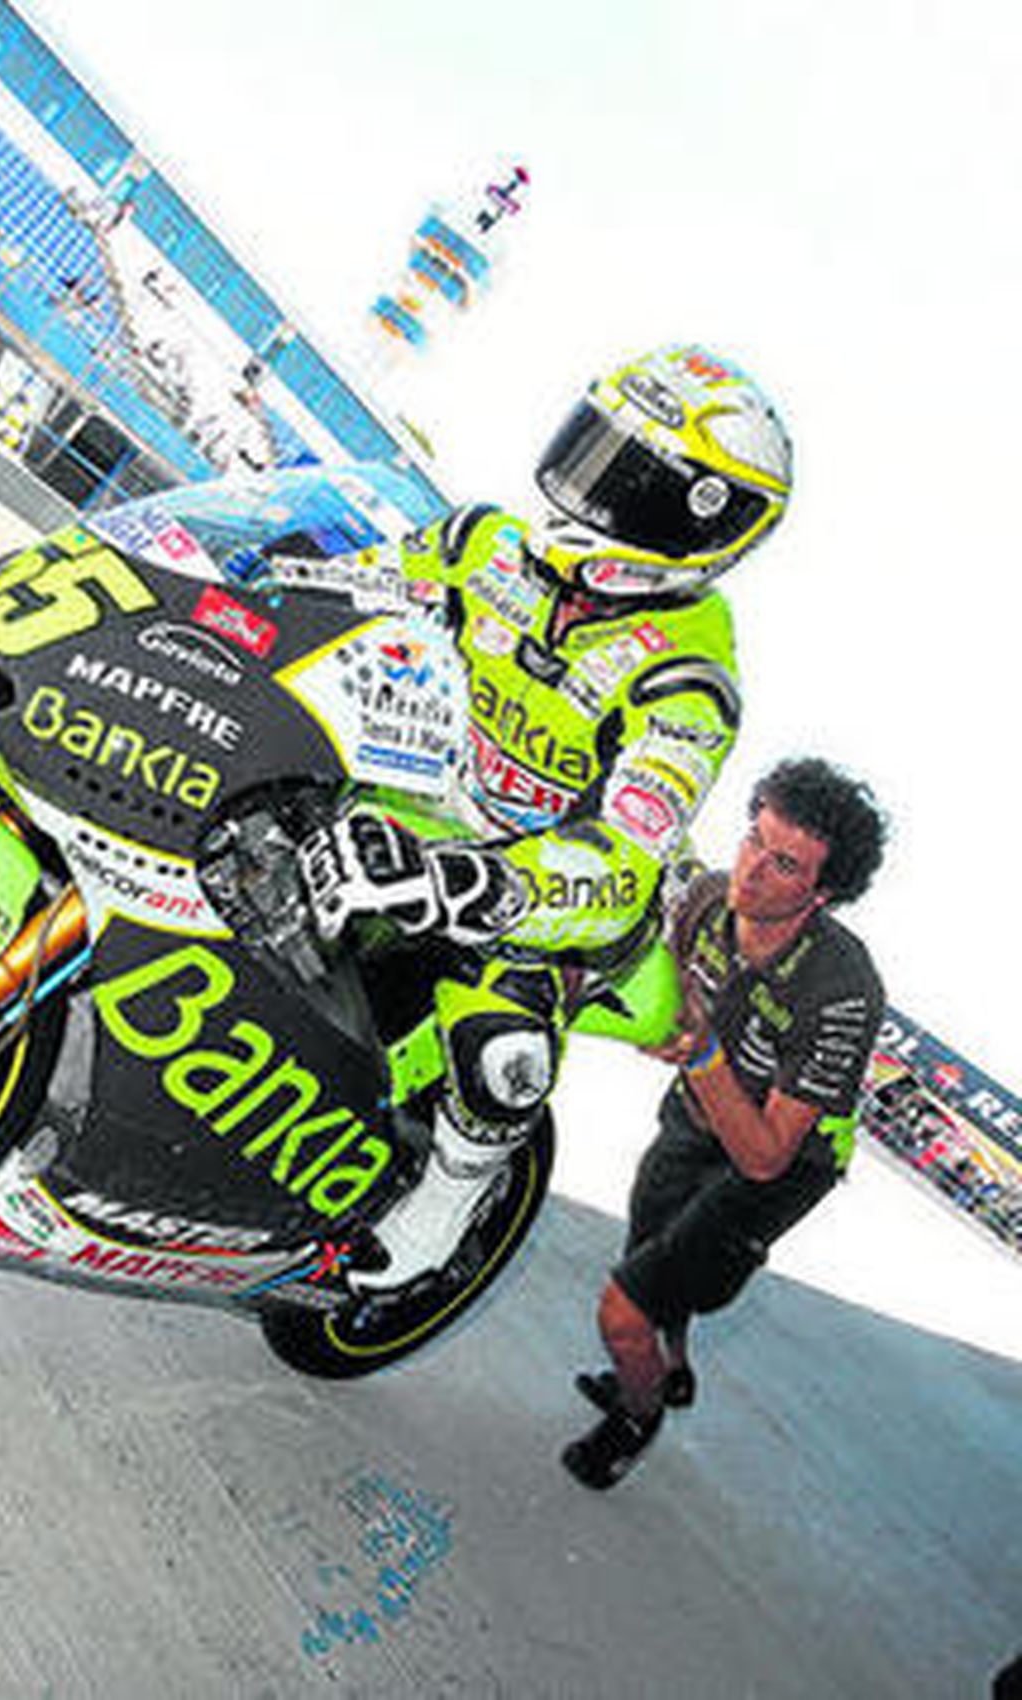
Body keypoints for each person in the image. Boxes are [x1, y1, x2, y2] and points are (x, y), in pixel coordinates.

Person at [297, 344, 794, 1292]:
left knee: (505, 1047)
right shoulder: (481, 546)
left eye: (632, 478)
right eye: (594, 447)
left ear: (704, 523)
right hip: (403, 797)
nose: (590, 487)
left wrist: (466, 882)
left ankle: (443, 1213)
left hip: (541, 890)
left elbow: (622, 863)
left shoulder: (687, 681)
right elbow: (338, 594)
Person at [561, 757, 888, 1489]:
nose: (751, 872)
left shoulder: (842, 990)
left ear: (823, 892)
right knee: (651, 1240)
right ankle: (669, 1368)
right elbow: (646, 971)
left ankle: (636, 1417)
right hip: (696, 1113)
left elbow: (767, 1154)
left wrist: (702, 1049)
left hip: (779, 1165)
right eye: (753, 839)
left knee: (624, 1312)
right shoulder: (708, 901)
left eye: (784, 864)